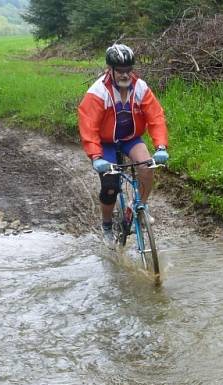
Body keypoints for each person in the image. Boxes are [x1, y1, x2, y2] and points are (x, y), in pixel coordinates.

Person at [78, 43, 169, 243]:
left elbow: (156, 117)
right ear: (110, 70)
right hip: (106, 143)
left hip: (130, 138)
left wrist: (161, 146)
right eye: (120, 71)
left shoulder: (140, 88)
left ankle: (138, 206)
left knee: (147, 166)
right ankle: (107, 224)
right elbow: (88, 125)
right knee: (110, 186)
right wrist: (96, 156)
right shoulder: (98, 92)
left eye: (128, 70)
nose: (125, 75)